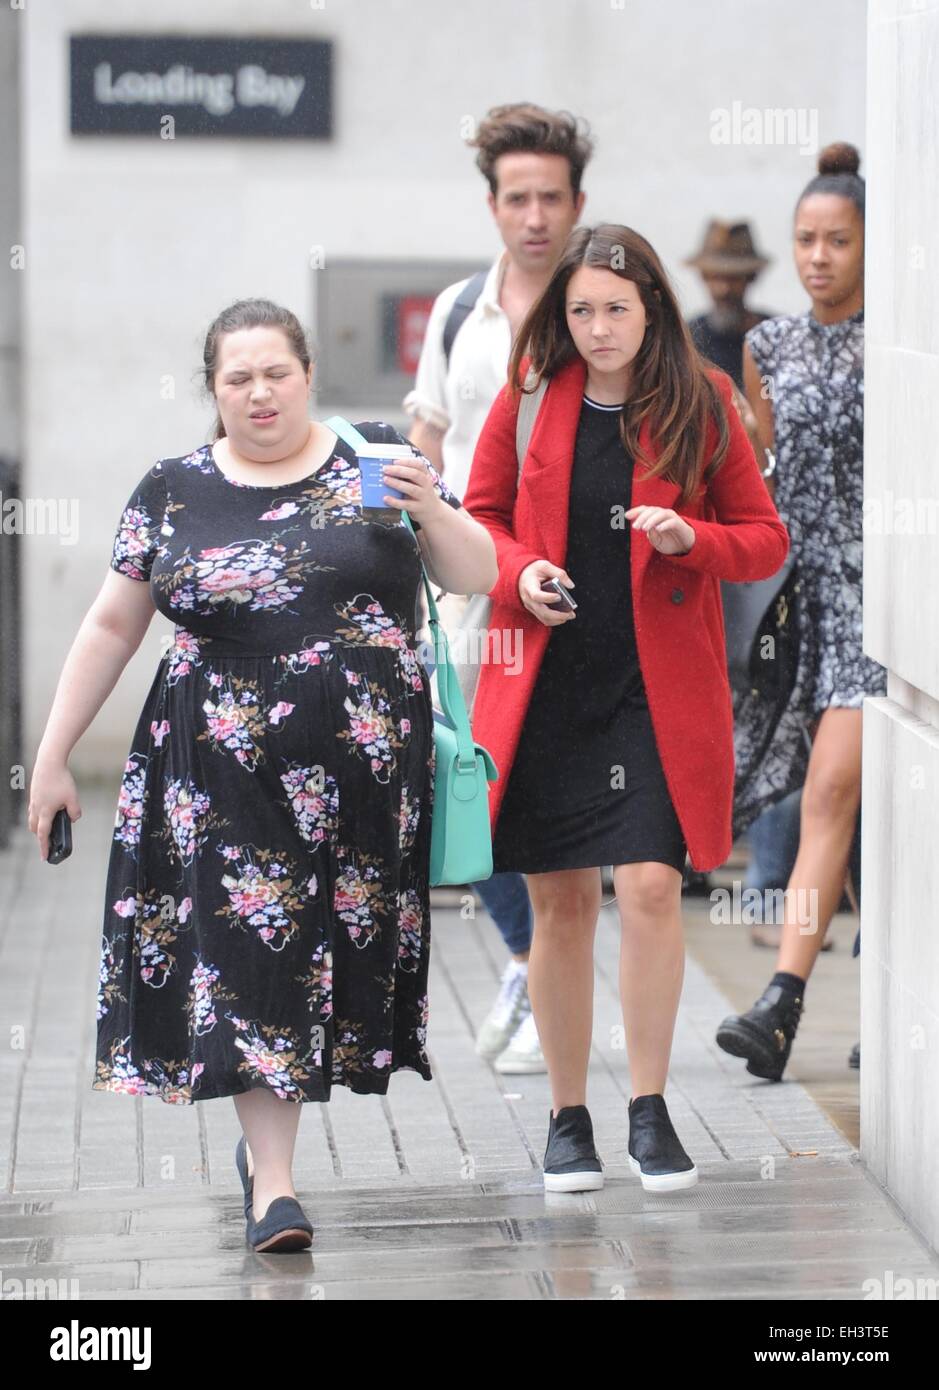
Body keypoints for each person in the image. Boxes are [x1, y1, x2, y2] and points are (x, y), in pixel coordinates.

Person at [26, 298, 496, 1253]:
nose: (259, 392)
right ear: (213, 390)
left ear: (307, 372)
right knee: (249, 959)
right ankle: (274, 1188)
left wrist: (429, 505)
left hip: (363, 776)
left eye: (274, 372)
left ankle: (267, 1156)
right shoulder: (174, 489)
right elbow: (113, 625)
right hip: (217, 771)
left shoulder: (371, 457)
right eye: (236, 377)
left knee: (329, 957)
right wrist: (52, 759)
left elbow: (475, 572)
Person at [462, 224, 789, 1192]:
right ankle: (569, 1118)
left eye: (617, 308)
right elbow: (475, 514)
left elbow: (763, 539)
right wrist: (523, 574)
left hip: (656, 687)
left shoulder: (705, 399)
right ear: (560, 315)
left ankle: (648, 1107)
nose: (599, 328)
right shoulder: (528, 399)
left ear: (651, 308)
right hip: (551, 684)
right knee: (562, 900)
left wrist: (694, 538)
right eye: (581, 310)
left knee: (650, 884)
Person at [404, 102, 594, 1074]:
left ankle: (554, 965)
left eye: (549, 198)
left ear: (577, 202)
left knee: (556, 793)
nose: (533, 216)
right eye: (515, 198)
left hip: (575, 582)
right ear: (492, 204)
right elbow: (430, 445)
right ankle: (528, 958)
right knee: (463, 783)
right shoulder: (458, 311)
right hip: (477, 584)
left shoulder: (599, 305)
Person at [716, 142, 885, 1082]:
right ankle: (881, 1002)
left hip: (889, 598)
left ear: (871, 244)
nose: (818, 256)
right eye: (806, 240)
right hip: (805, 598)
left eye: (838, 240)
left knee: (830, 793)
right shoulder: (767, 346)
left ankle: (782, 1002)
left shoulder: (903, 338)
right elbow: (766, 477)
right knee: (850, 810)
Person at [684, 220, 810, 942]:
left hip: (760, 531)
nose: (725, 284)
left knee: (768, 701)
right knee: (707, 704)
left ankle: (764, 881)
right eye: (717, 272)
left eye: (735, 272)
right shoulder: (687, 341)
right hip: (699, 540)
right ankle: (694, 860)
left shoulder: (771, 339)